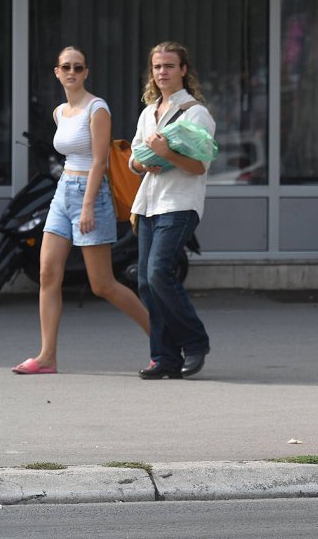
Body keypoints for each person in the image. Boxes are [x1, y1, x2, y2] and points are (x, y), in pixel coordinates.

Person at [12, 46, 150, 375]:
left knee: (102, 284)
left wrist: (87, 206)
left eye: (78, 67)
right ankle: (47, 357)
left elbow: (100, 161)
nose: (71, 72)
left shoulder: (97, 108)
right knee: (48, 273)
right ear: (57, 72)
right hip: (63, 193)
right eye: (66, 67)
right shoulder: (60, 112)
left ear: (86, 72)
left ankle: (163, 338)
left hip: (92, 195)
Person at [128, 41, 215, 380]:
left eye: (169, 66)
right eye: (157, 67)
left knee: (159, 273)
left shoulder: (196, 114)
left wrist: (166, 154)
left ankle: (195, 343)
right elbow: (134, 160)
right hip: (148, 204)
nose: (162, 72)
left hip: (179, 203)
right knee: (146, 283)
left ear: (183, 70)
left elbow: (199, 167)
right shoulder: (148, 113)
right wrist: (144, 162)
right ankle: (164, 358)